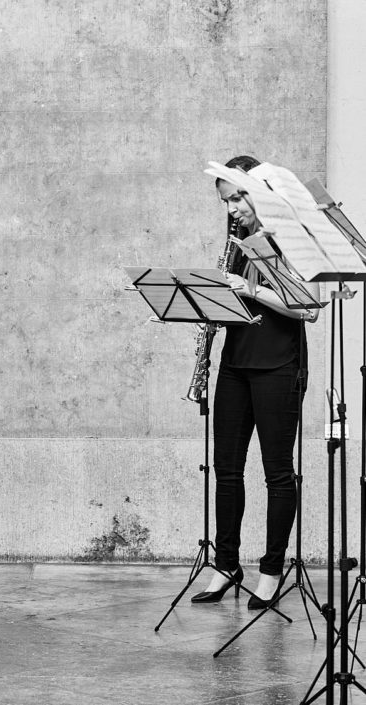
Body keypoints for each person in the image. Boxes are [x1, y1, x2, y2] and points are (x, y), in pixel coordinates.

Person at [191, 155, 320, 608]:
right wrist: (206, 303)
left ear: (258, 192)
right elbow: (236, 306)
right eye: (227, 201)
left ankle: (271, 571)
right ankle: (226, 564)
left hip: (279, 366)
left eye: (237, 198)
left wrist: (251, 290)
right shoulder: (237, 239)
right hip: (236, 363)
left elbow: (308, 306)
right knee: (226, 469)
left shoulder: (288, 237)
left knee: (277, 474)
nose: (232, 209)